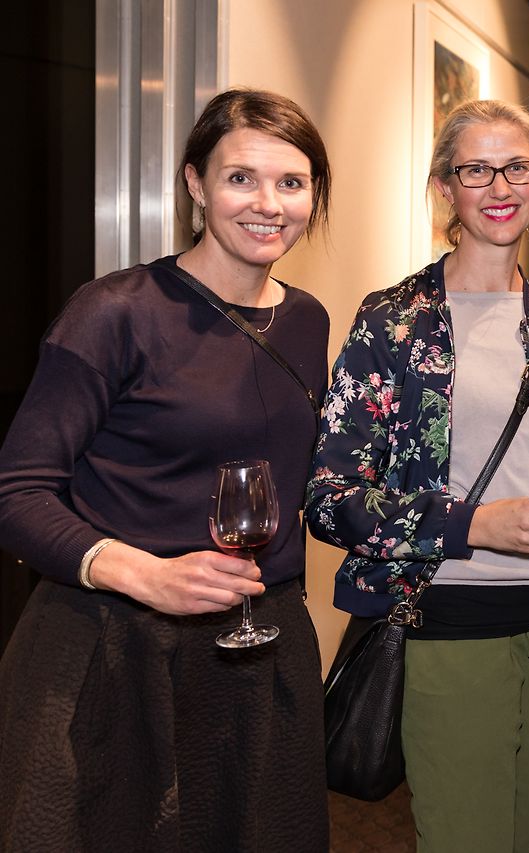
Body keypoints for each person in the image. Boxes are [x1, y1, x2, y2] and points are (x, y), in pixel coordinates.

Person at [0, 88, 332, 850]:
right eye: (241, 177)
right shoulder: (114, 312)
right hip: (116, 645)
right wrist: (146, 575)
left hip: (260, 646)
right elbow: (17, 491)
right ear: (195, 184)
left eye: (291, 182)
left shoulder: (307, 320)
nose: (269, 204)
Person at [305, 99, 529, 853]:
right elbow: (330, 498)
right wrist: (474, 524)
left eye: (518, 167)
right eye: (477, 170)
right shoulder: (393, 320)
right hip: (450, 623)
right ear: (446, 187)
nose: (500, 187)